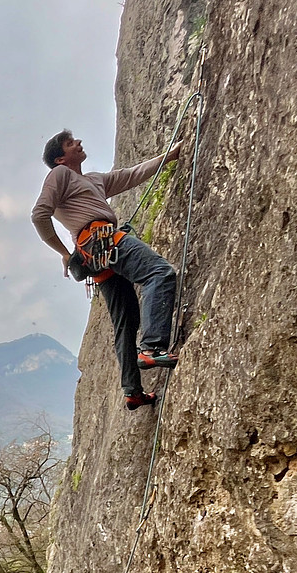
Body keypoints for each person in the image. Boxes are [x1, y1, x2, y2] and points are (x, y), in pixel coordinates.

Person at [32, 130, 183, 410]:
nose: (79, 143)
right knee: (159, 273)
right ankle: (151, 348)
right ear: (60, 159)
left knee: (126, 321)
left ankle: (133, 391)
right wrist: (63, 253)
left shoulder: (93, 180)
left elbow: (132, 174)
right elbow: (39, 215)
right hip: (101, 241)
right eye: (70, 143)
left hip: (96, 254)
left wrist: (170, 156)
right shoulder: (60, 174)